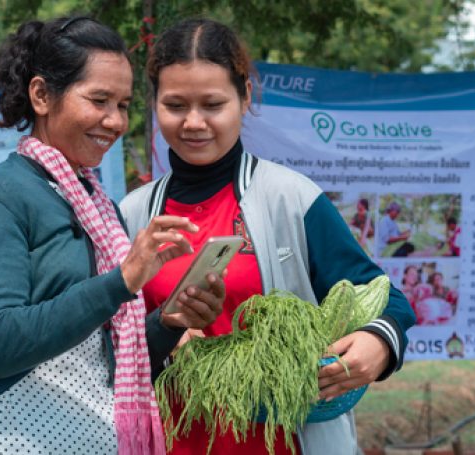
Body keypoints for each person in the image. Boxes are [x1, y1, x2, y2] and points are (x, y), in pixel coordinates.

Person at [120, 18, 416, 455]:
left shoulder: (290, 198)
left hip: (284, 442)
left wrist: (380, 342)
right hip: (170, 442)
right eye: (176, 105)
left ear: (244, 99)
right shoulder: (133, 215)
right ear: (155, 105)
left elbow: (381, 294)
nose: (194, 122)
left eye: (213, 104)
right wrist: (164, 335)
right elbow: (111, 344)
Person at [0, 17, 226, 454]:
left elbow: (101, 360)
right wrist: (121, 281)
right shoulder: (1, 199)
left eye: (124, 105)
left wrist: (169, 321)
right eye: (98, 100)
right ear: (41, 95)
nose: (114, 121)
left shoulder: (96, 204)